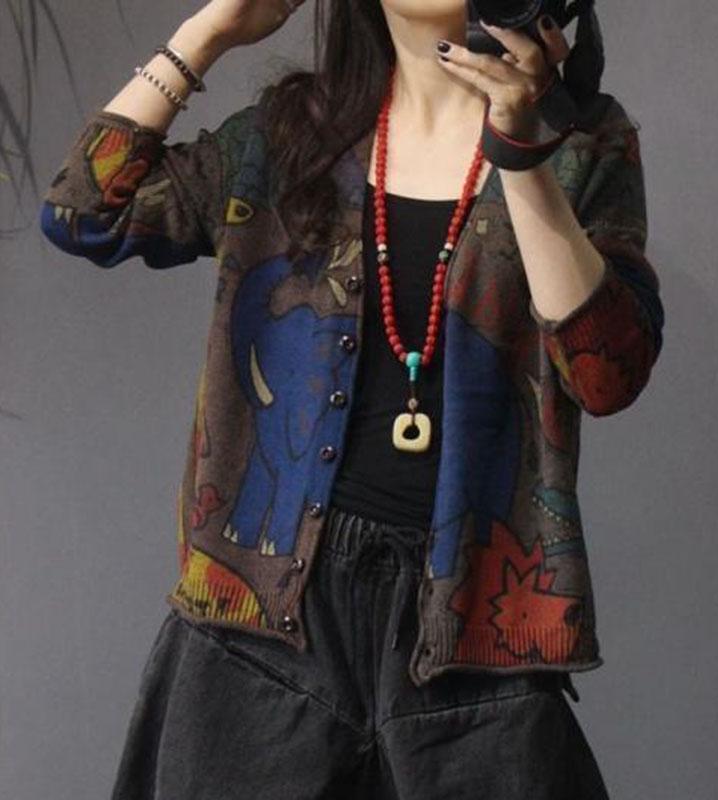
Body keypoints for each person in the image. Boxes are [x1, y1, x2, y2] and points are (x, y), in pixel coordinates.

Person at [40, 0, 665, 797]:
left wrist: (521, 153)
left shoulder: (582, 144)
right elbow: (83, 212)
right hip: (262, 629)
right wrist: (213, 30)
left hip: (475, 632)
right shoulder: (289, 135)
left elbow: (608, 376)